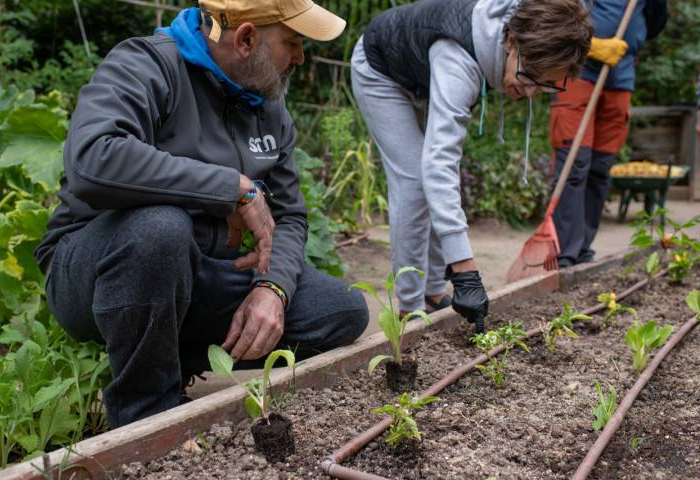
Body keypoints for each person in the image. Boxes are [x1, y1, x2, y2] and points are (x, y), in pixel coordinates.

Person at [34, 0, 369, 429]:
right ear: (247, 38)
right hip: (95, 269)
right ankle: (145, 417)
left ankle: (167, 352)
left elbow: (289, 216)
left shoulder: (267, 105)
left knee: (340, 311)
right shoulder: (147, 64)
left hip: (195, 274)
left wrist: (273, 288)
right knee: (159, 229)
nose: (301, 57)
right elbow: (93, 160)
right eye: (293, 41)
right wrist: (231, 188)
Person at [351, 0, 594, 333]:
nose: (532, 91)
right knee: (415, 181)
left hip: (418, 72)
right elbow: (438, 165)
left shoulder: (518, 33)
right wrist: (466, 272)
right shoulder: (459, 58)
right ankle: (409, 310)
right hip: (380, 69)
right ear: (511, 42)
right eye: (532, 76)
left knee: (436, 181)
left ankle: (435, 290)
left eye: (546, 84)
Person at [550, 0, 668, 268]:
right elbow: (555, 16)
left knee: (600, 167)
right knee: (574, 163)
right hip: (576, 69)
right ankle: (564, 253)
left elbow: (655, 25)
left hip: (621, 73)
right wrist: (590, 45)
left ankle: (583, 248)